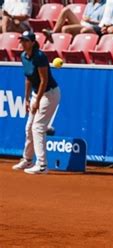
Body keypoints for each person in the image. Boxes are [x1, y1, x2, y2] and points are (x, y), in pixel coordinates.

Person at [12, 31, 61, 175]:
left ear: (33, 43)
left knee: (38, 127)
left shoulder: (40, 56)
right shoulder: (23, 56)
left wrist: (37, 101)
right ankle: (27, 159)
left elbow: (44, 81)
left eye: (26, 41)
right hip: (37, 93)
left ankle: (42, 165)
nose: (23, 43)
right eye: (22, 40)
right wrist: (27, 99)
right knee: (29, 127)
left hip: (49, 94)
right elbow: (28, 78)